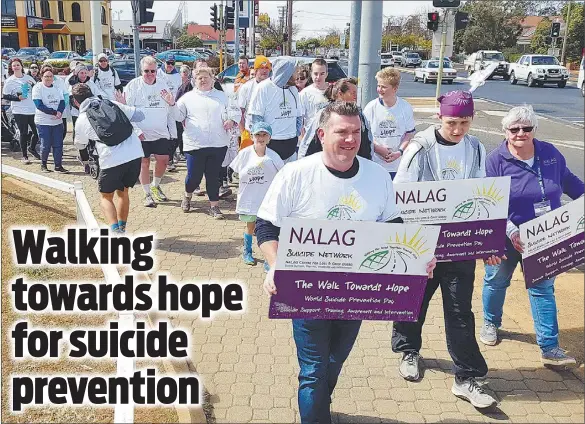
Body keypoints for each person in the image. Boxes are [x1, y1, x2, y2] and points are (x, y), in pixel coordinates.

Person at [256, 101, 436, 423]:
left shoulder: (377, 176)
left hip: (356, 292)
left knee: (334, 361)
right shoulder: (295, 174)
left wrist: (416, 259)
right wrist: (275, 265)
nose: (350, 139)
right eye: (342, 132)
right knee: (312, 370)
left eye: (356, 132)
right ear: (322, 134)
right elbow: (267, 226)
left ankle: (319, 407)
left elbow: (393, 227)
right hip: (307, 291)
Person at [392, 91, 497, 409]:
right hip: (423, 246)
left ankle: (467, 376)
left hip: (459, 245)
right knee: (413, 302)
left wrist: (487, 242)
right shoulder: (420, 149)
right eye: (452, 122)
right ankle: (409, 351)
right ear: (440, 117)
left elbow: (483, 196)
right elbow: (401, 195)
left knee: (460, 311)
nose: (458, 129)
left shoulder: (476, 147)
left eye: (465, 122)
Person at [481, 106, 584, 366]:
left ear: (534, 130)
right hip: (507, 237)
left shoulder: (549, 153)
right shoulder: (496, 160)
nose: (520, 133)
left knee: (542, 289)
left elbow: (570, 183)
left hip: (544, 237)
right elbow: (490, 205)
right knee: (496, 281)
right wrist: (512, 231)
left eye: (526, 128)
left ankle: (549, 348)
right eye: (514, 129)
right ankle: (491, 323)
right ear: (505, 131)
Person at [72, 83, 144, 233]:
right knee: (123, 193)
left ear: (76, 102)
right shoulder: (112, 103)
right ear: (91, 92)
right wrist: (123, 107)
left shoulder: (82, 119)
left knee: (106, 197)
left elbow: (80, 145)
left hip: (111, 159)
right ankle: (122, 229)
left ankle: (115, 232)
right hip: (135, 153)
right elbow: (140, 115)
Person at [176, 66, 240, 219]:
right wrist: (171, 105)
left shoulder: (223, 96)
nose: (203, 80)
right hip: (194, 145)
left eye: (206, 77)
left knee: (213, 177)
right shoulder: (187, 98)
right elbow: (178, 116)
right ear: (194, 81)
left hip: (218, 144)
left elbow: (235, 111)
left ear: (213, 79)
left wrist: (231, 120)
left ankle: (214, 207)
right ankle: (187, 195)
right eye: (199, 78)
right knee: (193, 177)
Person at [124, 55, 179, 207]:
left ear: (157, 71)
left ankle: (155, 185)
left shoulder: (163, 84)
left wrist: (172, 132)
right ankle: (147, 194)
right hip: (141, 133)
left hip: (161, 132)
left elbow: (169, 109)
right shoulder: (133, 86)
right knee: (144, 163)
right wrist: (136, 130)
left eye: (152, 71)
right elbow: (128, 111)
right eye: (146, 71)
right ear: (141, 70)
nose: (149, 74)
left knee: (163, 160)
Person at [229, 121, 284, 265]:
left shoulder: (274, 156)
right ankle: (247, 251)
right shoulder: (244, 154)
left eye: (264, 134)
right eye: (257, 134)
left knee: (270, 229)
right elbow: (233, 170)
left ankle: (269, 258)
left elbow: (283, 174)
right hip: (250, 198)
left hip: (267, 200)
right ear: (252, 136)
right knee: (250, 226)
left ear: (269, 138)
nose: (261, 137)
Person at [298, 77, 372, 160]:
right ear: (340, 93)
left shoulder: (360, 115)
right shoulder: (324, 114)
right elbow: (308, 142)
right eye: (353, 93)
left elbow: (368, 142)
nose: (356, 96)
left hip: (355, 166)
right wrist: (303, 162)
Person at [363, 67, 416, 179]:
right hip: (375, 164)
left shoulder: (405, 107)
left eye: (383, 87)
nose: (379, 90)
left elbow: (410, 134)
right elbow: (363, 135)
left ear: (395, 88)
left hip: (398, 167)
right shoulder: (370, 108)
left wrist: (399, 152)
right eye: (378, 86)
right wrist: (377, 148)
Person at [248, 56, 301, 163]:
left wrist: (296, 134)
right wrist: (261, 142)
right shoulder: (263, 88)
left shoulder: (293, 90)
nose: (297, 75)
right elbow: (256, 118)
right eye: (295, 71)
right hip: (271, 143)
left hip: (290, 143)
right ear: (286, 72)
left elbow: (298, 116)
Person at [2, 58, 40, 163]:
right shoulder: (9, 81)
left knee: (36, 132)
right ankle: (24, 156)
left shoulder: (29, 78)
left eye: (18, 65)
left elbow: (37, 90)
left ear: (21, 66)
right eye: (14, 65)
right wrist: (17, 98)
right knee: (23, 133)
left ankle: (31, 148)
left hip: (32, 109)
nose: (16, 67)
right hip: (19, 110)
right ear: (11, 68)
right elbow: (5, 96)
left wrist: (33, 86)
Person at [32, 65, 67, 173]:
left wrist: (60, 112)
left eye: (50, 76)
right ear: (42, 76)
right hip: (43, 121)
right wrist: (53, 112)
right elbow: (39, 104)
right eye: (46, 76)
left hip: (57, 121)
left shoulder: (57, 87)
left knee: (58, 144)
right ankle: (44, 165)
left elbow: (62, 101)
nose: (48, 78)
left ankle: (58, 166)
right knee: (45, 144)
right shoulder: (37, 87)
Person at [236, 55, 272, 150]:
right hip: (250, 131)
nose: (264, 71)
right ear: (255, 70)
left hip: (268, 133)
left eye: (267, 68)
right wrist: (243, 132)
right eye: (261, 68)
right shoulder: (246, 87)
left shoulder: (274, 87)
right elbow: (240, 111)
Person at [157, 55, 182, 173]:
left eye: (172, 63)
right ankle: (166, 160)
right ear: (164, 62)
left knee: (175, 134)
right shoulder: (158, 73)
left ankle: (170, 157)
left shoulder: (177, 76)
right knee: (163, 134)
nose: (170, 66)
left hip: (173, 106)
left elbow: (180, 91)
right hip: (161, 107)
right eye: (168, 63)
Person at [299, 58, 329, 136]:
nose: (318, 77)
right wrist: (302, 140)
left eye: (322, 74)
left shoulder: (334, 91)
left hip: (330, 135)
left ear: (326, 74)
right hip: (312, 137)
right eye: (316, 74)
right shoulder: (304, 94)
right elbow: (300, 120)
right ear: (311, 74)